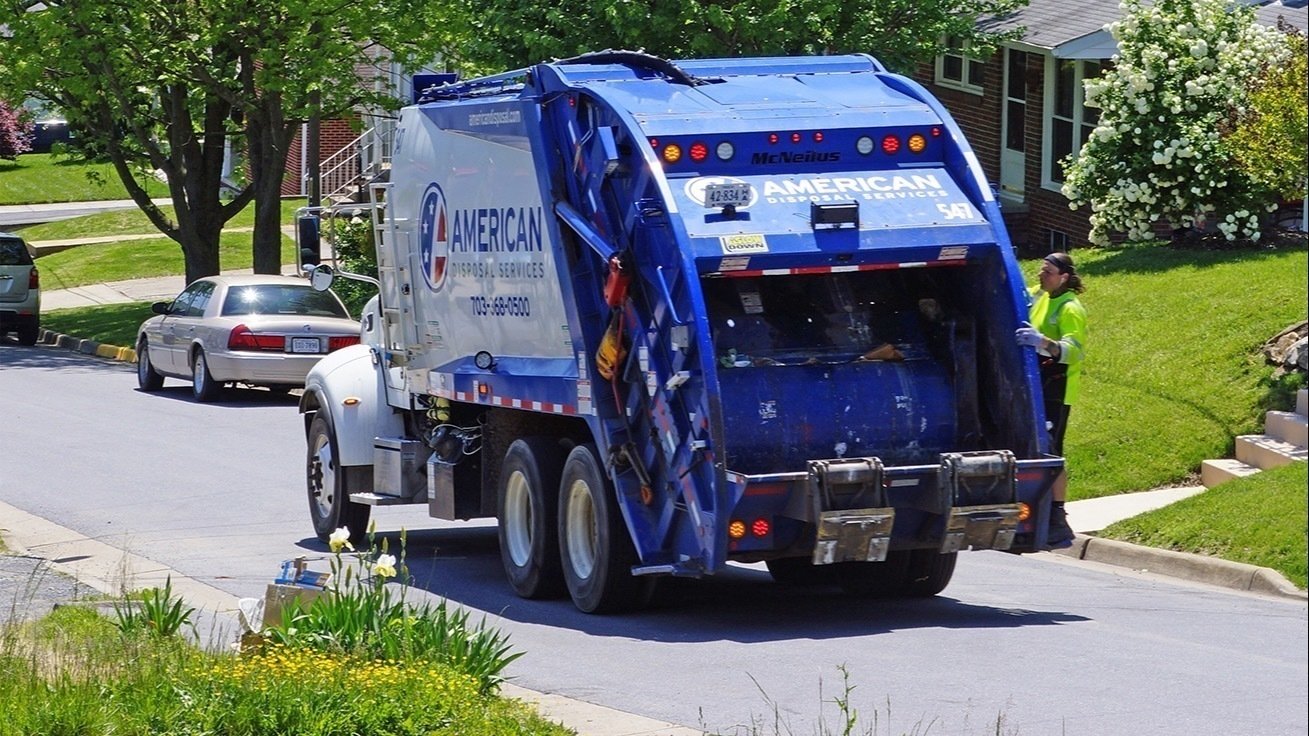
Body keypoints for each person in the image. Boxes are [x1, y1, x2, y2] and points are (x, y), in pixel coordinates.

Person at [1015, 252, 1087, 547]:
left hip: (1057, 390)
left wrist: (1042, 342)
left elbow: (1074, 352)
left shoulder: (1070, 308)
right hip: (1037, 384)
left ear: (1064, 277)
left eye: (1047, 271)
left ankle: (1059, 518)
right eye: (1040, 269)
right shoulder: (1041, 295)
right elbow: (1019, 289)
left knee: (1052, 452)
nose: (1040, 275)